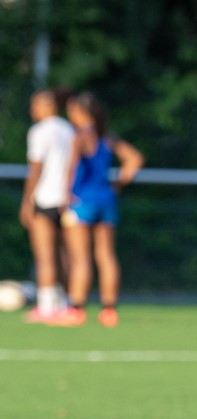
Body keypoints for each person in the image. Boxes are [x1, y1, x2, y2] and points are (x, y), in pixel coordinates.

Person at [52, 92, 143, 328]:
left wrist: (65, 195)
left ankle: (76, 309)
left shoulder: (80, 136)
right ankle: (109, 310)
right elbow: (134, 159)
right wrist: (119, 183)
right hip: (106, 199)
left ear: (80, 113)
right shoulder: (107, 137)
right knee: (106, 255)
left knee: (80, 257)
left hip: (81, 201)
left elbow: (71, 169)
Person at [19, 87, 75, 323]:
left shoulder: (39, 131)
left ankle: (45, 306)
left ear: (48, 106)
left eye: (36, 105)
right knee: (65, 254)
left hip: (45, 198)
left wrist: (26, 200)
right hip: (67, 199)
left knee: (45, 255)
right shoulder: (69, 129)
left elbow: (36, 168)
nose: (32, 110)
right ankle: (65, 304)